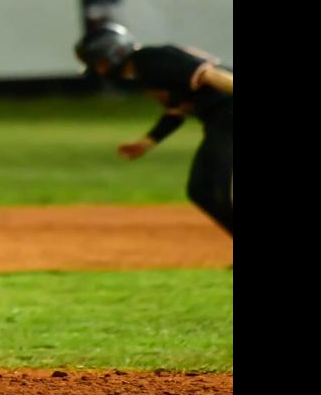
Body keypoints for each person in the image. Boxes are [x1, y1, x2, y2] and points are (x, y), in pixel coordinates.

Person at [76, 22, 233, 236]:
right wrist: (147, 142)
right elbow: (175, 112)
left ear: (115, 53)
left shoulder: (154, 59)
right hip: (219, 122)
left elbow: (211, 75)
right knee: (200, 191)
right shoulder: (143, 71)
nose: (99, 70)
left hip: (228, 116)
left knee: (223, 193)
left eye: (99, 63)